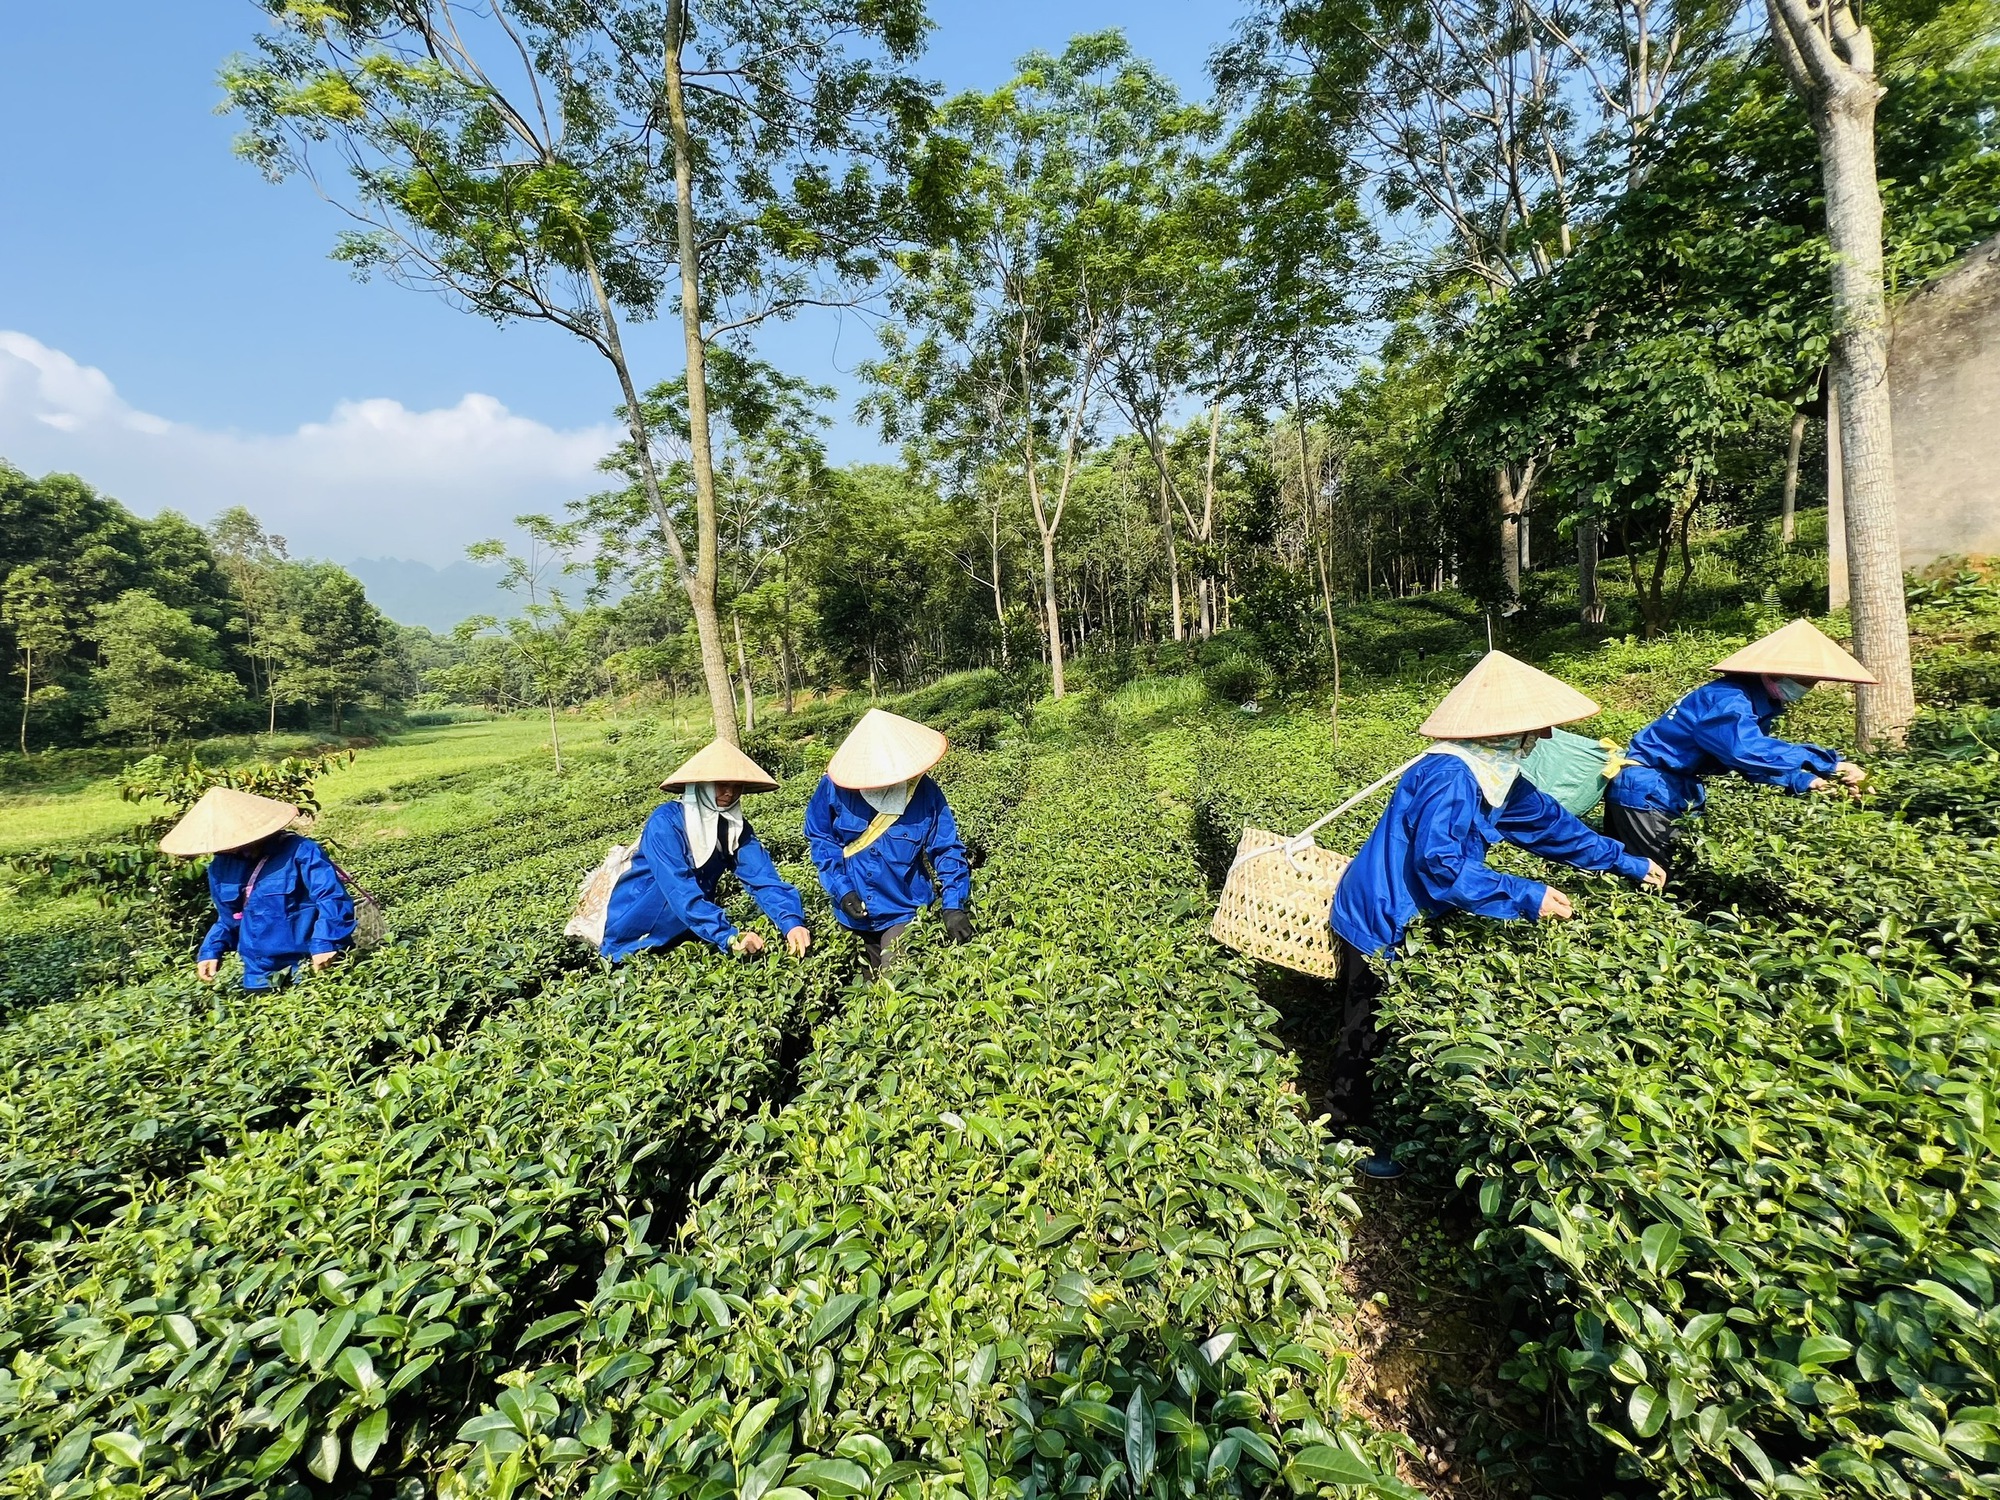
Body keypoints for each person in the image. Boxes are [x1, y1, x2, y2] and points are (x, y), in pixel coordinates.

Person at [1328, 651, 1667, 1175]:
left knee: (1393, 1021)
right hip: (1383, 910)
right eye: (1536, 730)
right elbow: (1439, 863)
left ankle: (1386, 1118)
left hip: (1417, 911)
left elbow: (1550, 825)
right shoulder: (1451, 774)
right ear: (1502, 731)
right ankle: (1345, 1133)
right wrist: (1525, 895)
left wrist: (1624, 860)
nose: (1545, 739)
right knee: (1366, 1025)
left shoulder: (1496, 773)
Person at [1602, 619, 1875, 868]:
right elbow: (1745, 750)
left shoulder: (1752, 702)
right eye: (1804, 680)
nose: (1808, 686)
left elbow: (1751, 760)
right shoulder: (1728, 700)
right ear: (1774, 673)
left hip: (1665, 788)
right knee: (1660, 877)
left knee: (1663, 871)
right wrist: (1827, 763)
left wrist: (1807, 781)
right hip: (1649, 791)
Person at [600, 740, 810, 962]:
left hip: (691, 933)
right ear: (702, 784)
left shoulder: (732, 827)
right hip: (637, 934)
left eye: (736, 785)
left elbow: (762, 877)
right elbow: (679, 890)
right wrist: (728, 936)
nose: (729, 792)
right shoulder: (665, 824)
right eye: (721, 784)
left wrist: (791, 922)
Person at [805, 709, 973, 971]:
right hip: (852, 914)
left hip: (903, 908)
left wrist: (953, 906)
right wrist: (842, 888)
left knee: (894, 984)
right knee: (866, 990)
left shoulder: (924, 793)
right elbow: (821, 838)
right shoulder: (834, 788)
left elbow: (946, 848)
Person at [162, 786, 357, 990]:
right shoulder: (220, 867)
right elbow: (229, 918)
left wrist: (325, 942)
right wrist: (211, 950)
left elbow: (331, 897)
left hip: (310, 963)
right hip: (258, 973)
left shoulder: (301, 851)